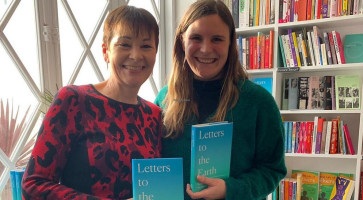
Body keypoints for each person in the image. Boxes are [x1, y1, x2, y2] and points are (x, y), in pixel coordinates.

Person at [22, 5, 161, 200]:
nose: (136, 55)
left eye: (146, 46)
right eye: (125, 44)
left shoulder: (153, 115)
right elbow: (33, 185)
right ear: (106, 51)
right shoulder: (73, 100)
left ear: (155, 53)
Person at [154, 0, 287, 199]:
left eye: (217, 39)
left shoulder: (259, 103)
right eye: (196, 38)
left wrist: (230, 189)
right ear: (182, 41)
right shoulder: (164, 99)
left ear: (231, 43)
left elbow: (272, 169)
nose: (206, 49)